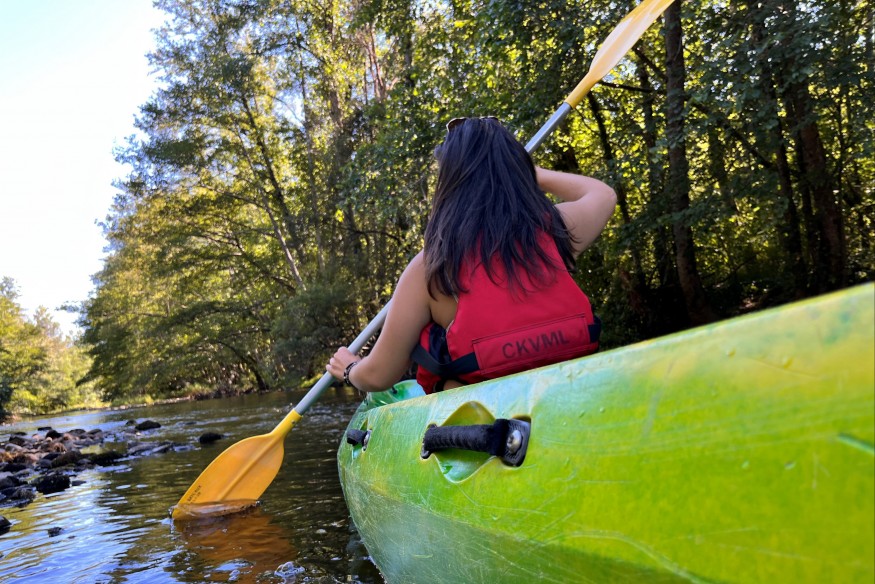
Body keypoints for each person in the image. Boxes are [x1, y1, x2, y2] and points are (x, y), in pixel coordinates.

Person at [326, 116, 616, 393]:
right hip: (568, 392)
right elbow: (603, 195)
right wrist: (528, 172)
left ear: (449, 182)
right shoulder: (555, 229)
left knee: (436, 355)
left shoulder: (431, 267)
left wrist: (350, 369)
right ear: (517, 171)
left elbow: (378, 375)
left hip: (490, 413)